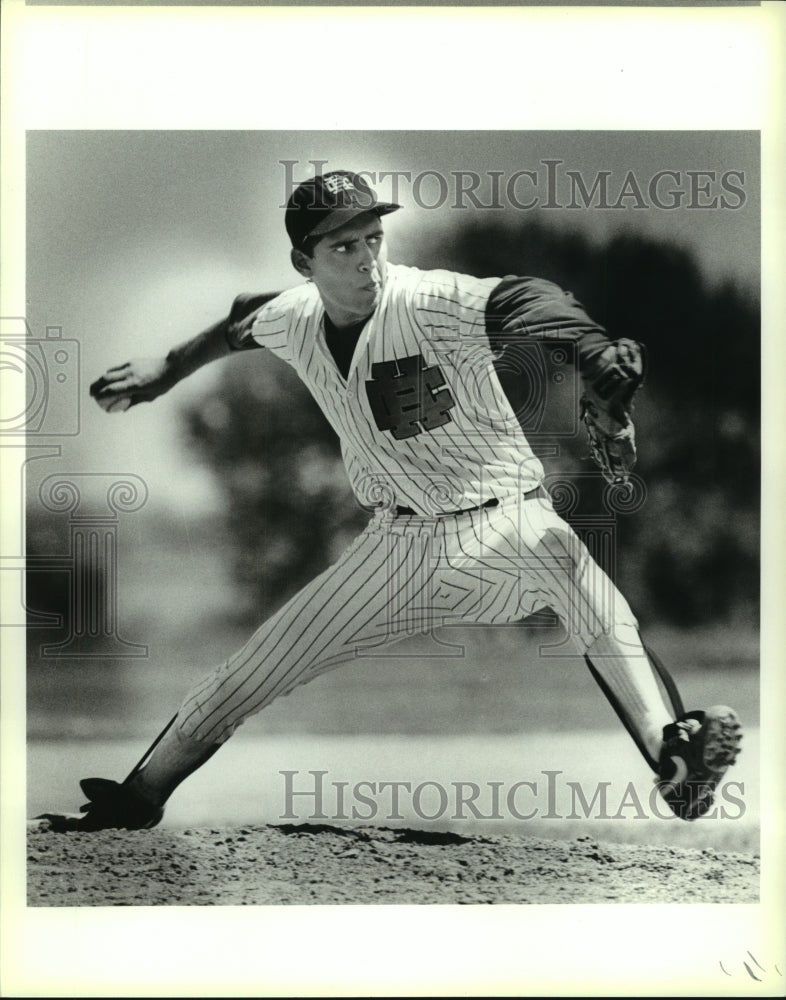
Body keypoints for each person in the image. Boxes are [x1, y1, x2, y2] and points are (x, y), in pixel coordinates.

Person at [38, 169, 741, 831]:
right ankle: (138, 797)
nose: (366, 258)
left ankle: (670, 759)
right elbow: (240, 319)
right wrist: (164, 370)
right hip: (395, 550)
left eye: (374, 238)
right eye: (343, 245)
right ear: (303, 262)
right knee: (248, 672)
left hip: (506, 523)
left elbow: (526, 296)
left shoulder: (428, 302)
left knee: (580, 579)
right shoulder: (293, 315)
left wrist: (591, 355)